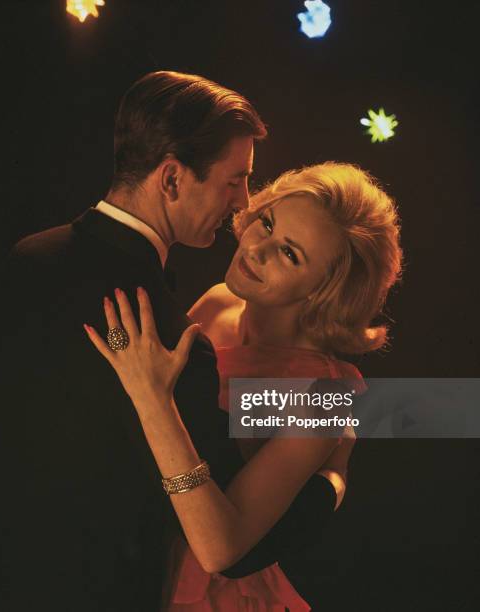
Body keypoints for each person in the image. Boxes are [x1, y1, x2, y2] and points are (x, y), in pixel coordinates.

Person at [0, 72, 349, 612]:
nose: (242, 205)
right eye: (235, 181)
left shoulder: (31, 255)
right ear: (171, 179)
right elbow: (224, 547)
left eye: (290, 252)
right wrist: (330, 485)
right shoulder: (175, 337)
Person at [84, 162, 403, 610]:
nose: (258, 250)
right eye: (267, 224)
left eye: (291, 254)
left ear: (326, 291)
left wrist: (151, 397)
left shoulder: (326, 398)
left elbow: (220, 549)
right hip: (141, 560)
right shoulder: (217, 302)